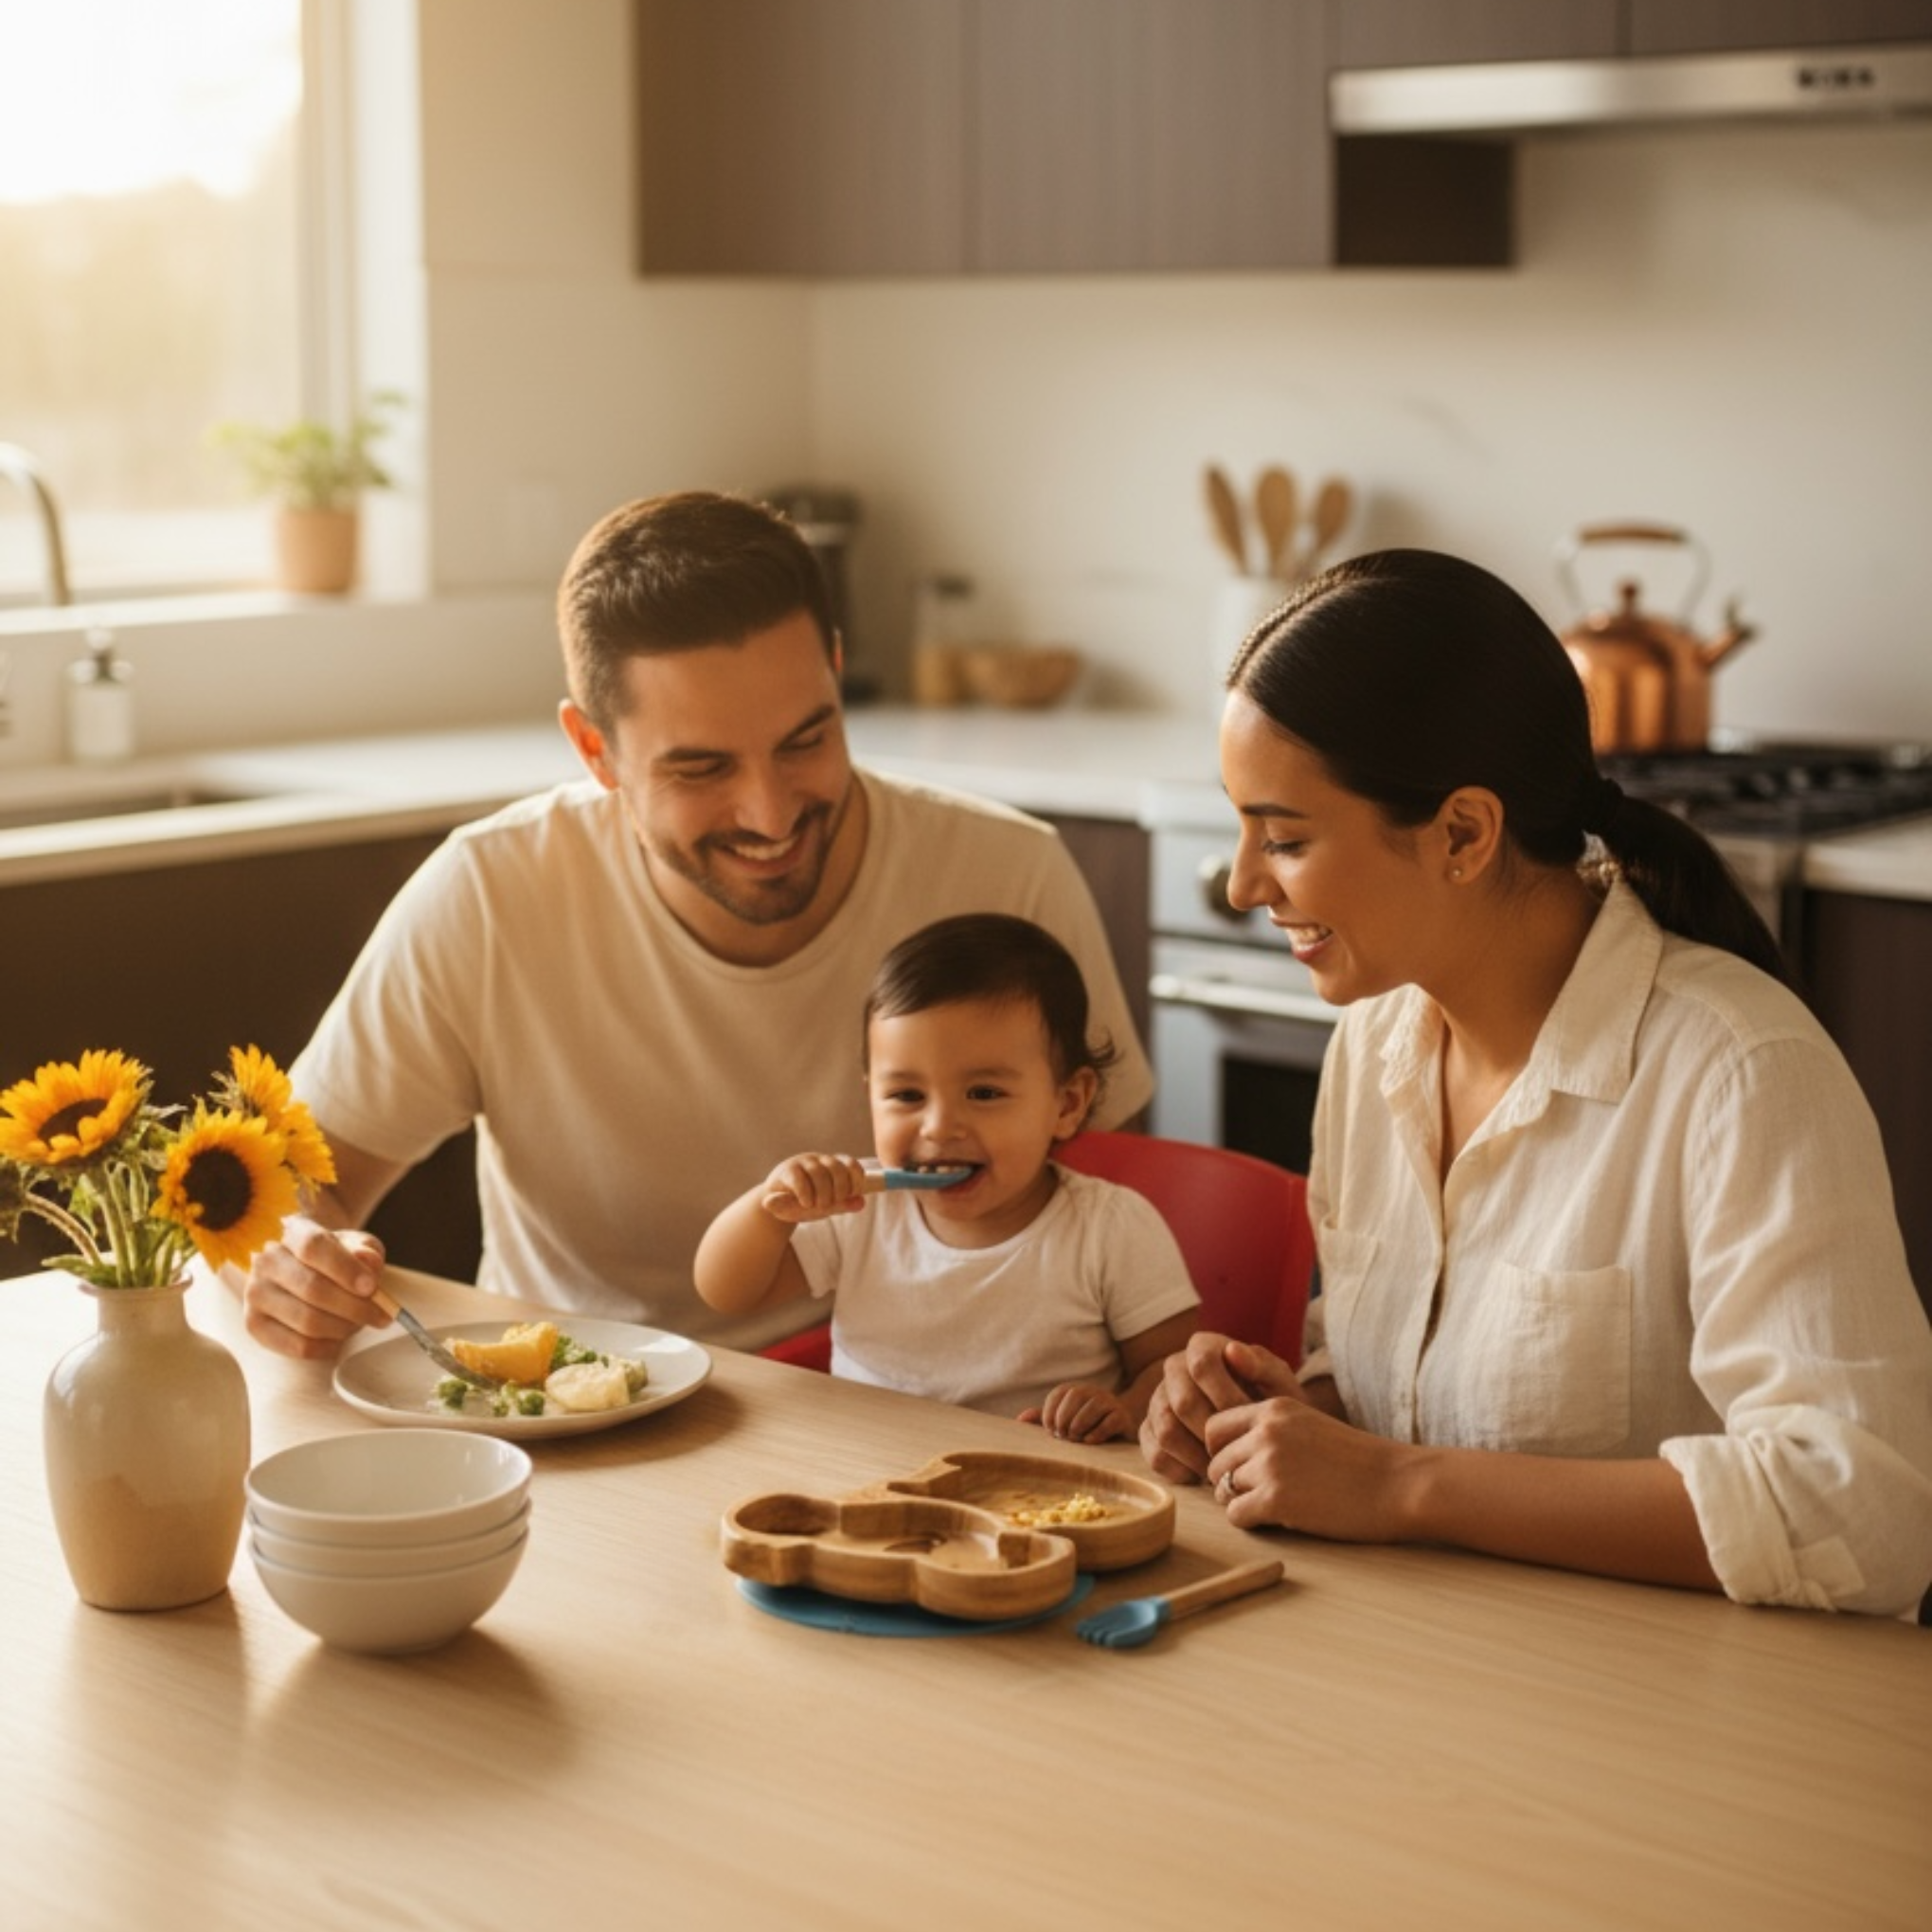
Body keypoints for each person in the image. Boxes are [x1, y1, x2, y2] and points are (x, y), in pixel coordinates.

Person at [1140, 548, 1932, 1618]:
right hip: (1433, 1670)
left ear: (1464, 832)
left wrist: (1396, 1485)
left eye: (1283, 837)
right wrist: (1289, 1415)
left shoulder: (1741, 1072)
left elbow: (1862, 1512)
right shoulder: (1375, 1042)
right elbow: (1401, 1388)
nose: (1242, 885)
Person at [238, 492, 1152, 1359]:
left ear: (835, 673)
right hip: (577, 1414)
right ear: (596, 751)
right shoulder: (490, 893)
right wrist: (290, 1260)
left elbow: (1117, 1202)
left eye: (806, 740)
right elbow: (293, 1185)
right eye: (702, 768)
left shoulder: (1009, 875)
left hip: (903, 1418)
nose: (770, 814)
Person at [695, 914, 1197, 1438]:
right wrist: (768, 1209)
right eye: (906, 1096)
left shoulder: (1110, 1229)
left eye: (983, 1094)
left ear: (1067, 1104)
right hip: (861, 1476)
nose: (939, 1127)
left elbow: (1173, 1369)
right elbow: (727, 1292)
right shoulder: (860, 1205)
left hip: (1033, 1492)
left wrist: (1123, 1409)